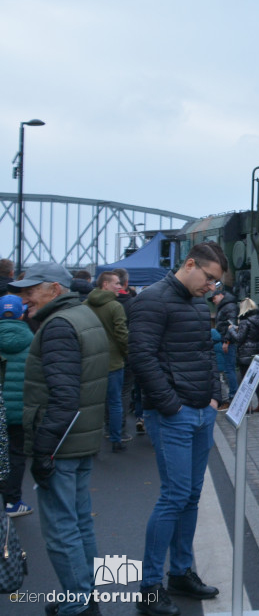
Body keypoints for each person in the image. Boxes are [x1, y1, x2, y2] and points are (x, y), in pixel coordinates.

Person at [129, 243, 226, 615]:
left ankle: (180, 573)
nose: (212, 287)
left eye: (216, 281)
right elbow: (140, 356)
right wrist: (171, 405)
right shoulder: (152, 300)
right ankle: (150, 587)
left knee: (189, 497)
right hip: (175, 414)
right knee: (175, 496)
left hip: (200, 411)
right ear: (189, 264)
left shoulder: (196, 303)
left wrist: (214, 397)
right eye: (209, 278)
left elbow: (205, 352)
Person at [12, 262, 109, 616]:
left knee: (60, 529)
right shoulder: (84, 316)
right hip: (80, 440)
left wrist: (43, 452)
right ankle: (85, 594)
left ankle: (78, 603)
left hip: (61, 444)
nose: (24, 298)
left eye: (30, 290)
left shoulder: (58, 326)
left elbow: (63, 398)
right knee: (80, 522)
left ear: (54, 289)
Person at [86, 272, 130, 452]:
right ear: (105, 284)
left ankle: (90, 442)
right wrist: (126, 352)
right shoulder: (114, 306)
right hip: (113, 361)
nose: (120, 287)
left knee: (92, 404)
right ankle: (116, 439)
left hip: (91, 361)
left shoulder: (85, 305)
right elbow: (122, 334)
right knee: (115, 402)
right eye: (117, 283)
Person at [0, 294, 35, 517]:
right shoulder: (31, 339)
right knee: (16, 453)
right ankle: (13, 502)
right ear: (22, 313)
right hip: (19, 407)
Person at [113, 268, 143, 435]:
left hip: (108, 356)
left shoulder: (100, 304)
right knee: (127, 391)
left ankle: (111, 427)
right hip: (129, 353)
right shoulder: (133, 304)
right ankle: (120, 429)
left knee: (112, 394)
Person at [227, 297, 259, 413]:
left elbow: (239, 339)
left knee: (245, 380)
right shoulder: (258, 319)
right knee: (255, 379)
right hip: (256, 350)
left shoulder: (244, 321)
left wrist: (231, 330)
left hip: (245, 352)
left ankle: (247, 406)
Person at [210, 288, 239, 407]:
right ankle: (232, 395)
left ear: (220, 295)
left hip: (228, 341)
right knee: (228, 369)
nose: (213, 301)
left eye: (214, 298)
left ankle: (233, 396)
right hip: (226, 340)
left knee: (229, 369)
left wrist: (227, 340)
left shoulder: (229, 306)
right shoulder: (227, 306)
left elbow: (232, 324)